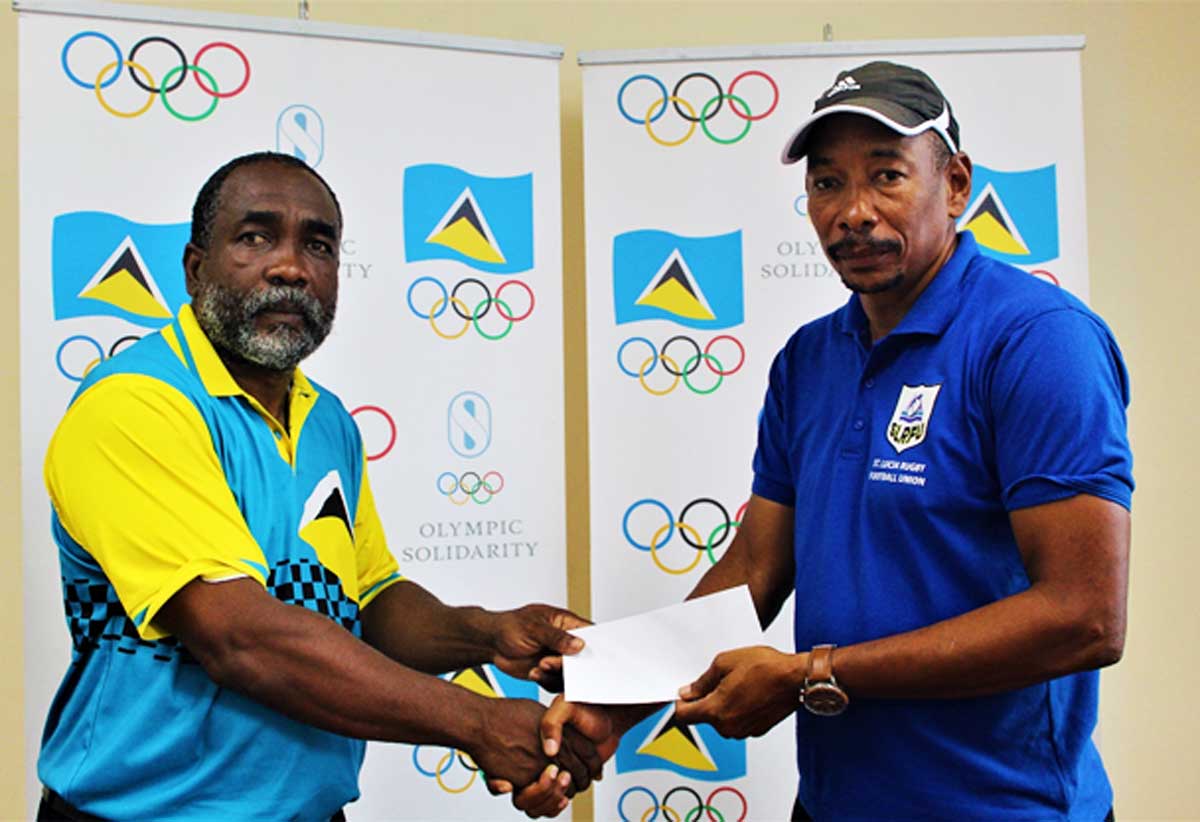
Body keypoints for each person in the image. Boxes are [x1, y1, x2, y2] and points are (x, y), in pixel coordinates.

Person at [536, 61, 1133, 821]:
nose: (853, 212)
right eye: (827, 184)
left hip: (1007, 809)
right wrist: (614, 700)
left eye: (887, 176)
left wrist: (811, 673)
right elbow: (756, 568)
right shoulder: (808, 360)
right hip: (832, 804)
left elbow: (1085, 616)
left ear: (954, 185)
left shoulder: (1039, 342)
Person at [38, 151, 608, 821]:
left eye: (318, 245)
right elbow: (240, 639)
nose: (291, 267)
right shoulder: (135, 405)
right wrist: (477, 724)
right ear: (195, 268)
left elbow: (367, 600)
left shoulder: (327, 419)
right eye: (255, 237)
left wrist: (486, 636)